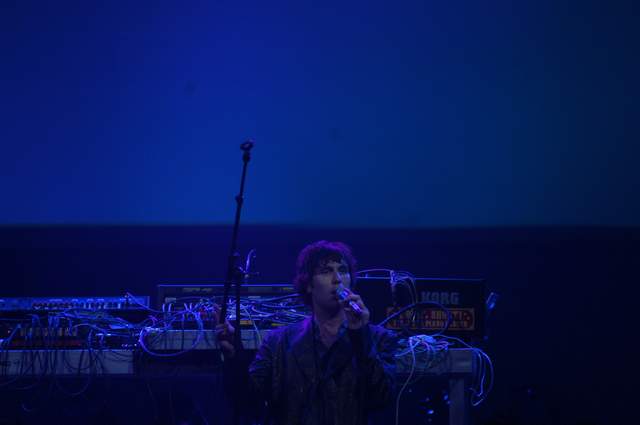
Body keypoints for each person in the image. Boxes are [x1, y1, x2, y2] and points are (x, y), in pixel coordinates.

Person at [216, 240, 396, 425]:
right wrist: (234, 357)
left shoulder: (378, 338)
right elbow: (248, 403)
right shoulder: (278, 342)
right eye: (326, 271)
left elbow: (382, 398)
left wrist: (359, 336)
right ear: (309, 284)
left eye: (343, 270)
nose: (337, 279)